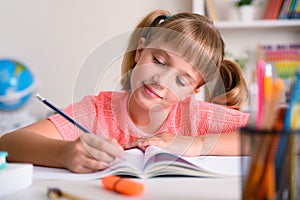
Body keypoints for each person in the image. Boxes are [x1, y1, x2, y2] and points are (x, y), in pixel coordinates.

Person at [0, 10, 249, 173]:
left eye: (182, 80)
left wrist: (196, 144)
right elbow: (9, 143)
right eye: (159, 61)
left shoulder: (198, 117)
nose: (161, 80)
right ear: (140, 52)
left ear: (194, 91)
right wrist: (64, 153)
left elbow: (281, 137)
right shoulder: (97, 111)